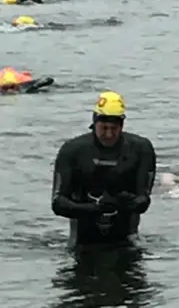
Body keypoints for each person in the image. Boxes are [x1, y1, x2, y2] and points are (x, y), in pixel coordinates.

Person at [51, 91, 157, 248]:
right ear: (94, 123)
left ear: (122, 125)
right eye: (104, 128)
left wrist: (124, 202)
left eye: (114, 128)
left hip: (126, 239)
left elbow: (144, 201)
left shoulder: (141, 149)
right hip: (83, 239)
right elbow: (58, 203)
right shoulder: (72, 150)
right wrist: (94, 208)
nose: (108, 134)